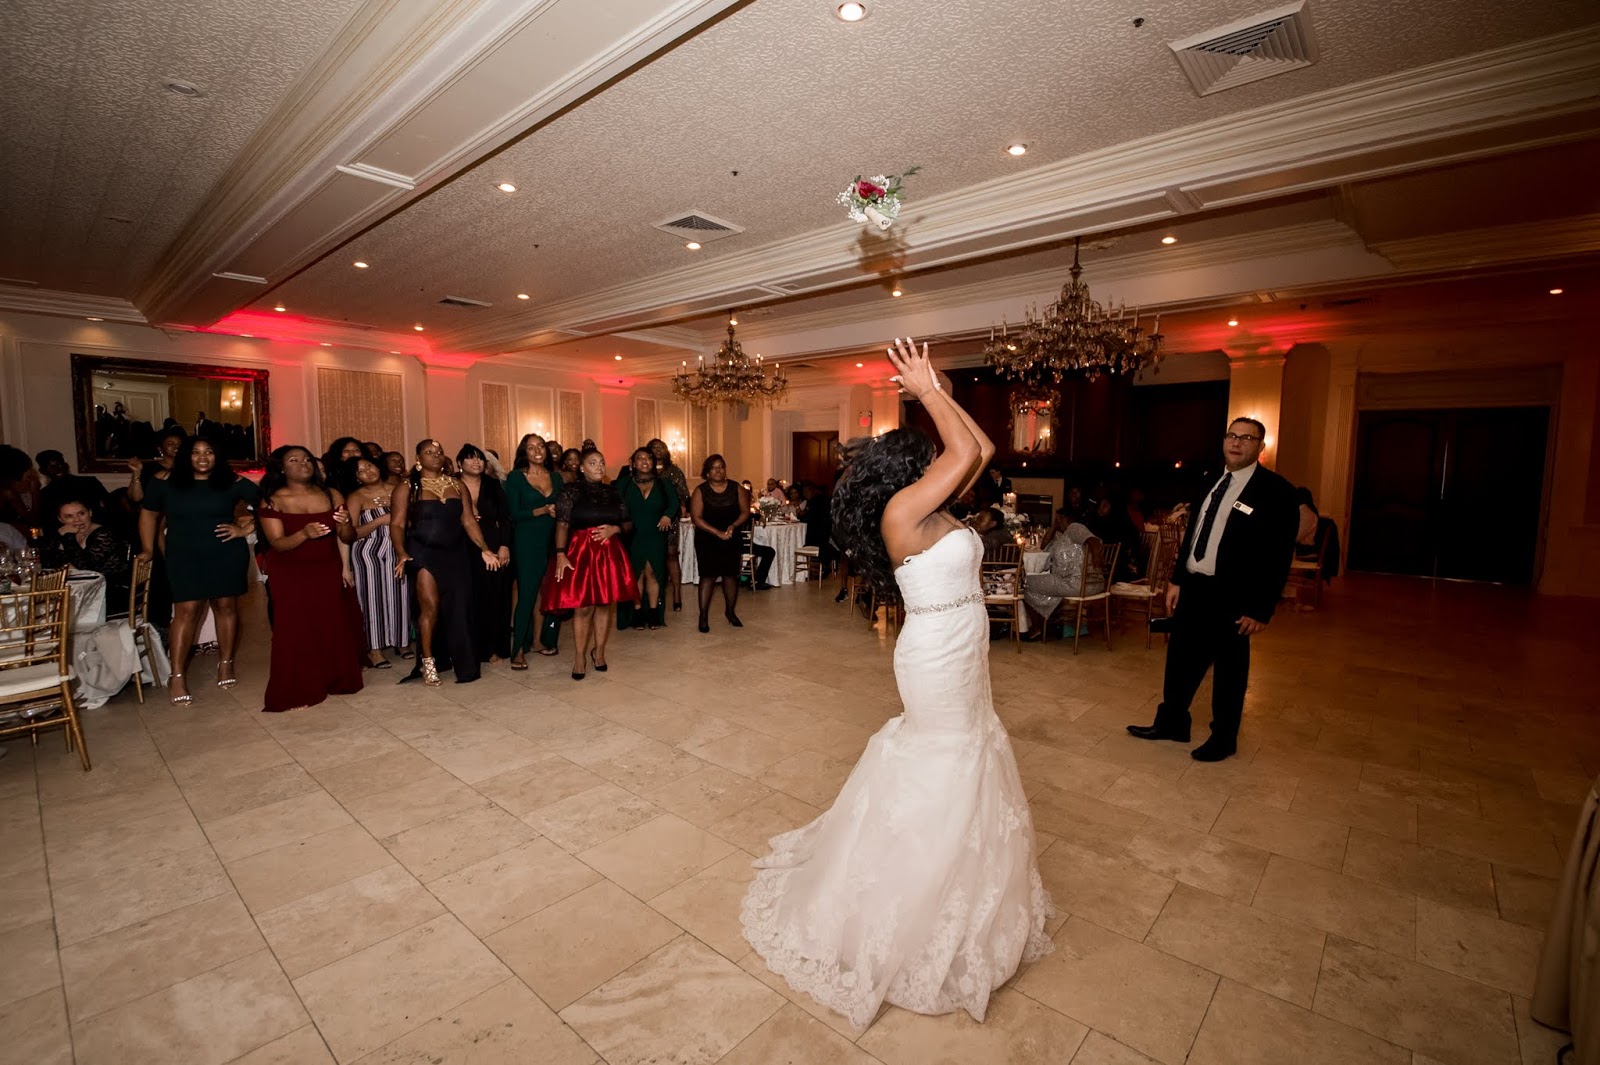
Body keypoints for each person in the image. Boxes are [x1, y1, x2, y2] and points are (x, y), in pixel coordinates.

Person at [741, 336, 1052, 1030]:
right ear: (912, 467)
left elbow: (982, 451)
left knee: (971, 746)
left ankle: (963, 890)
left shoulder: (939, 506)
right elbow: (965, 453)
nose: (947, 458)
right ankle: (906, 895)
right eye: (932, 452)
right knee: (941, 756)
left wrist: (941, 391)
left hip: (966, 643)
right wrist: (925, 391)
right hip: (934, 651)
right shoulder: (903, 514)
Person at [1126, 417, 1299, 761]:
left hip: (1235, 594)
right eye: (1232, 436)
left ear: (1260, 448)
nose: (1237, 443)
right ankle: (1173, 722)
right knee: (1181, 658)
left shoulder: (1276, 491)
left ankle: (1224, 737)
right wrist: (1177, 579)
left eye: (1247, 438)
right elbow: (1193, 536)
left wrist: (1261, 607)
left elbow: (1279, 555)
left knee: (1229, 670)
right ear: (1224, 440)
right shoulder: (1210, 480)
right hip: (1195, 587)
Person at [137, 436, 259, 704]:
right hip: (184, 555)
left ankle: (226, 662)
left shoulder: (231, 481)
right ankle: (177, 675)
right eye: (195, 452)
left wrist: (245, 529)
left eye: (209, 452)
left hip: (226, 553)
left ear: (218, 455)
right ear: (186, 456)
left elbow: (269, 505)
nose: (203, 457)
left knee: (226, 606)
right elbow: (148, 514)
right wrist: (148, 549)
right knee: (186, 611)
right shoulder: (165, 480)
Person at [257, 446, 364, 712]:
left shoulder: (331, 494)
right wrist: (304, 534)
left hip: (326, 568)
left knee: (330, 624)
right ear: (282, 468)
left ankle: (334, 679)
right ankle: (298, 687)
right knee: (294, 629)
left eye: (306, 459)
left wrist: (345, 523)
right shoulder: (273, 500)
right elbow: (278, 545)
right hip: (290, 572)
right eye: (294, 460)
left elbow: (348, 537)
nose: (303, 464)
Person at [390, 439, 501, 686]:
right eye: (429, 452)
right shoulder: (407, 487)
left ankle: (465, 665)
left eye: (439, 451)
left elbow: (469, 521)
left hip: (455, 554)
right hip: (423, 554)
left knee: (461, 607)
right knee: (430, 609)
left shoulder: (456, 484)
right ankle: (429, 663)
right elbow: (397, 524)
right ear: (418, 458)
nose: (436, 455)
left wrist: (484, 549)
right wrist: (400, 552)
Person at [545, 448, 633, 680]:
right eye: (593, 463)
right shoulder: (570, 491)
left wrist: (615, 529)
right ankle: (579, 657)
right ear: (582, 467)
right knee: (582, 606)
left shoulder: (613, 491)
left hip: (607, 552)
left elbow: (628, 523)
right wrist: (561, 553)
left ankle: (600, 652)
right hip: (580, 551)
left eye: (602, 463)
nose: (599, 467)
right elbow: (562, 524)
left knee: (604, 604)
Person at [343, 456, 409, 668]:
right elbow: (351, 533)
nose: (368, 471)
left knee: (401, 595)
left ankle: (402, 641)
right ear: (357, 478)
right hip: (368, 551)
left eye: (369, 465)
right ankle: (375, 649)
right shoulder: (356, 497)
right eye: (361, 471)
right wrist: (380, 521)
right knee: (372, 600)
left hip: (398, 549)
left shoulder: (398, 488)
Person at [506, 434, 561, 666]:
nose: (537, 450)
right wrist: (541, 510)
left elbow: (565, 508)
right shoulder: (516, 477)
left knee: (544, 593)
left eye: (541, 446)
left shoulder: (557, 478)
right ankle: (518, 648)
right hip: (527, 540)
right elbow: (512, 514)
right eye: (531, 447)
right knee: (527, 593)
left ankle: (537, 641)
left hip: (553, 539)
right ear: (524, 452)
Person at [457, 444, 513, 663]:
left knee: (496, 597)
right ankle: (470, 647)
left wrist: (504, 545)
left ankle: (494, 647)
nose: (476, 462)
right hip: (462, 545)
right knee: (469, 598)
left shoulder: (493, 485)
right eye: (470, 459)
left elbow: (506, 518)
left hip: (494, 542)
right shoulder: (452, 484)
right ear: (459, 463)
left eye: (479, 458)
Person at [690, 454, 751, 632]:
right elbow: (696, 518)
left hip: (731, 537)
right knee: (707, 576)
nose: (718, 470)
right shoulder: (700, 490)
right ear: (707, 472)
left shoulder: (736, 488)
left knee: (730, 575)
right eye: (714, 467)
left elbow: (745, 512)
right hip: (707, 538)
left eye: (721, 467)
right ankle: (703, 616)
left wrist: (733, 526)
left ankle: (730, 612)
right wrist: (717, 532)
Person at [618, 446, 678, 630]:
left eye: (648, 458)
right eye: (640, 458)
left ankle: (653, 613)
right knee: (636, 573)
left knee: (653, 573)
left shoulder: (663, 483)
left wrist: (668, 515)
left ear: (653, 462)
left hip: (655, 534)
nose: (644, 461)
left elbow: (674, 503)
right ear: (633, 463)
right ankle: (637, 612)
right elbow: (614, 506)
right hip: (632, 536)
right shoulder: (623, 484)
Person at [42, 499, 132, 603]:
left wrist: (69, 538)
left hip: (109, 594)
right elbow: (46, 563)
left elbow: (86, 570)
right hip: (78, 591)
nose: (77, 520)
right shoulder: (63, 534)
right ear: (60, 519)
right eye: (69, 516)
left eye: (81, 513)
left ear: (90, 513)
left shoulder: (104, 534)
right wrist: (58, 536)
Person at [1022, 520, 1103, 632]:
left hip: (1077, 583)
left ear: (1064, 518)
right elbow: (1043, 546)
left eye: (1058, 519)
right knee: (1041, 585)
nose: (1056, 522)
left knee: (1025, 583)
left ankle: (1038, 627)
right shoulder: (1062, 537)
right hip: (1087, 583)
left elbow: (1094, 540)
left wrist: (1097, 555)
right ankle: (1051, 623)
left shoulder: (1074, 527)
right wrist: (1053, 529)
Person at [646, 438, 690, 613]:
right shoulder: (644, 472)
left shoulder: (674, 471)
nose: (657, 450)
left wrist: (677, 510)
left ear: (666, 451)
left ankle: (677, 596)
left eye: (660, 447)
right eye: (653, 448)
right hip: (649, 519)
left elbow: (684, 495)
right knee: (652, 557)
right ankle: (655, 597)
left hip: (670, 518)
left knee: (671, 555)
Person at [37, 450, 109, 521]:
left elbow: (110, 507)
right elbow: (48, 521)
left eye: (60, 465)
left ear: (66, 465)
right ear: (43, 471)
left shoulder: (90, 482)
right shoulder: (45, 494)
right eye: (52, 467)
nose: (58, 469)